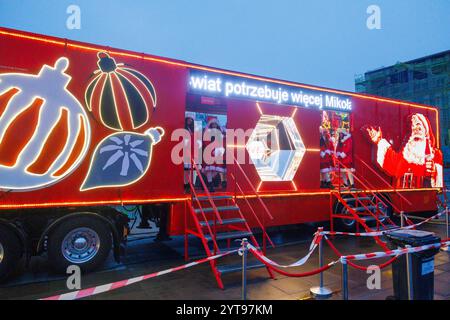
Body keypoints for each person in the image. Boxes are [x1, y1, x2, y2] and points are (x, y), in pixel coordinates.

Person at [366, 113, 443, 188]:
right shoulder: (407, 152)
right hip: (402, 195)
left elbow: (438, 179)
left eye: (419, 127)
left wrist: (434, 169)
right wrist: (379, 141)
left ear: (426, 131)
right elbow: (393, 164)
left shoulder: (435, 154)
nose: (415, 130)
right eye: (413, 127)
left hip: (423, 196)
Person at [202, 116, 226, 192]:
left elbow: (222, 142)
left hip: (218, 152)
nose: (214, 125)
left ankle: (208, 182)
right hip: (209, 152)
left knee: (216, 170)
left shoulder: (221, 132)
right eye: (213, 124)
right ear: (211, 124)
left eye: (215, 124)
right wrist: (211, 150)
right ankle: (210, 184)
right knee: (210, 169)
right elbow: (206, 142)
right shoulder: (207, 132)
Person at [183, 112, 201, 193]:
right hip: (185, 150)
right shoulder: (184, 128)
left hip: (192, 151)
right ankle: (185, 184)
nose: (189, 121)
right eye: (188, 119)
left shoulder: (193, 129)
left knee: (191, 170)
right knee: (186, 169)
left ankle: (190, 184)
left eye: (191, 120)